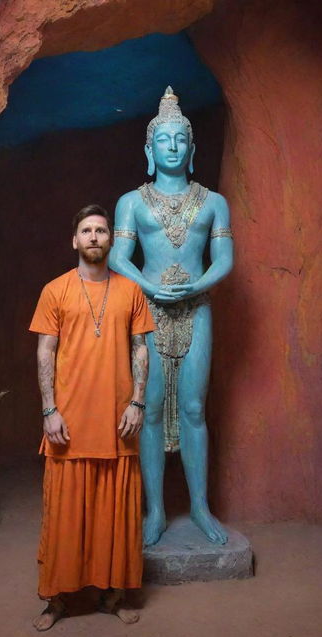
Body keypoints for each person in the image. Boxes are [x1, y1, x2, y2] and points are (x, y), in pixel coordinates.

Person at [109, 87, 234, 547]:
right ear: (149, 149)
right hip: (150, 311)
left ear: (193, 147)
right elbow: (120, 257)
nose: (174, 148)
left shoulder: (214, 201)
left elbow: (224, 259)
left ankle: (200, 506)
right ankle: (156, 510)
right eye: (164, 140)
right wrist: (150, 287)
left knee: (196, 407)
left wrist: (197, 286)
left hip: (197, 309)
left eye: (181, 140)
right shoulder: (133, 202)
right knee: (152, 407)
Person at [29, 204, 155, 631]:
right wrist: (49, 410)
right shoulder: (55, 290)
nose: (95, 237)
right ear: (75, 240)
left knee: (115, 513)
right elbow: (45, 351)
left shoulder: (131, 292)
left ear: (111, 240)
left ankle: (113, 594)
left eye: (102, 230)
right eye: (87, 230)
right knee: (64, 515)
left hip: (118, 420)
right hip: (69, 423)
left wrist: (138, 402)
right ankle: (57, 600)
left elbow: (141, 349)